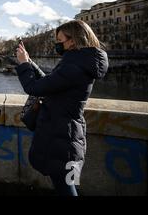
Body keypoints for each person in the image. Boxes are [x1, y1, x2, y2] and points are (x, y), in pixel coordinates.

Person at [15, 20, 109, 196]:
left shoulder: (73, 66)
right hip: (68, 133)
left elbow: (34, 88)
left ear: (72, 40)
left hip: (62, 136)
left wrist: (23, 65)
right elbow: (50, 84)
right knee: (67, 182)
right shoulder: (79, 63)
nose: (57, 44)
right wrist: (30, 63)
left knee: (65, 186)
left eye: (60, 40)